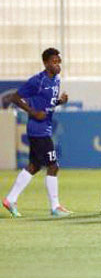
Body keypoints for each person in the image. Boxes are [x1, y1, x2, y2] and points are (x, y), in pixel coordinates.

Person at [2, 48, 72, 217]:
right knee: (53, 166)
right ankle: (55, 207)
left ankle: (10, 199)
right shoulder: (37, 81)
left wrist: (59, 101)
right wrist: (32, 112)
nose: (58, 65)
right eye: (54, 62)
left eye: (59, 62)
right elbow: (15, 98)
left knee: (34, 166)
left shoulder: (56, 79)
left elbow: (46, 102)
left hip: (44, 126)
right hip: (38, 128)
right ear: (46, 63)